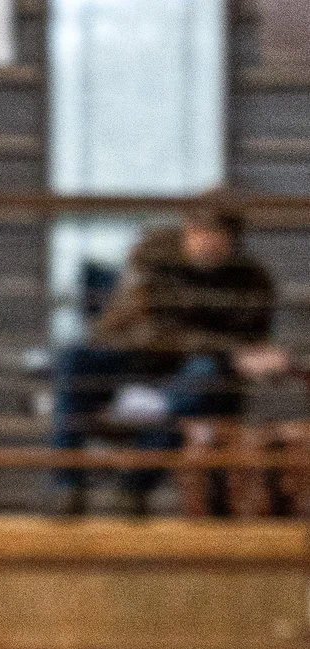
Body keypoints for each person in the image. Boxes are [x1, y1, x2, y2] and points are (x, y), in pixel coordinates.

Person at [50, 199, 289, 515]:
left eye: (217, 235)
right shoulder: (154, 255)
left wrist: (266, 359)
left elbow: (253, 346)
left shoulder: (253, 282)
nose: (206, 242)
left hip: (189, 380)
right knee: (73, 360)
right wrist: (229, 350)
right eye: (199, 231)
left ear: (234, 243)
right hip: (130, 358)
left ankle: (133, 487)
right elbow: (156, 329)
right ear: (186, 230)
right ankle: (69, 486)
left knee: (202, 382)